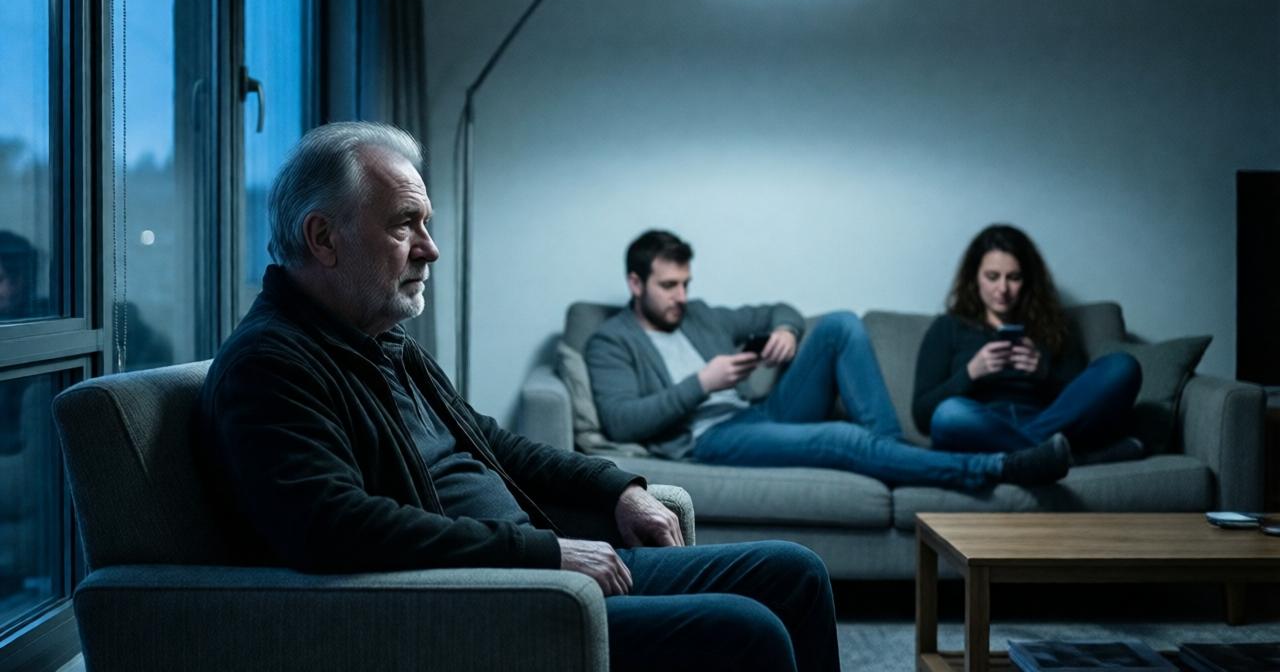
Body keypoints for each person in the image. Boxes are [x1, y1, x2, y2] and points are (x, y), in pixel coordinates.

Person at [196, 122, 840, 672]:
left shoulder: (381, 341)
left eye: (427, 223)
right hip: (487, 604)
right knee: (747, 631)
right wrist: (545, 552)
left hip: (542, 569)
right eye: (405, 225)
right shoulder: (271, 364)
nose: (431, 248)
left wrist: (617, 488)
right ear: (323, 238)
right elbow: (332, 527)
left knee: (794, 571)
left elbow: (495, 445)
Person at [585, 229, 1073, 491]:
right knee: (842, 437)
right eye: (669, 286)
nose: (681, 296)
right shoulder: (609, 342)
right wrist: (703, 382)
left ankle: (893, 456)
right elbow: (623, 421)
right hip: (709, 439)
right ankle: (993, 467)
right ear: (635, 283)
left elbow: (780, 308)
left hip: (757, 415)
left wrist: (786, 331)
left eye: (686, 283)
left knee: (839, 323)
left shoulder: (699, 315)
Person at [912, 224, 1143, 463]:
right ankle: (1064, 457)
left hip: (1047, 422)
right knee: (950, 414)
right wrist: (970, 374)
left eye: (1013, 278)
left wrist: (1044, 374)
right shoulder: (948, 327)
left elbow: (1080, 399)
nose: (1002, 289)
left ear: (1028, 280)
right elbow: (922, 415)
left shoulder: (1053, 327)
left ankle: (1032, 455)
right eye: (992, 277)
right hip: (981, 429)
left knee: (1122, 366)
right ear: (975, 278)